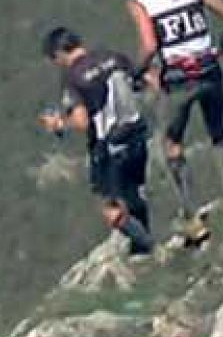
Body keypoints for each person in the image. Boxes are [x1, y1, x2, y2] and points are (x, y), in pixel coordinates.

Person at [123, 0, 223, 247]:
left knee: (173, 144)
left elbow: (150, 45)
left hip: (178, 78)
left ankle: (193, 217)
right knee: (217, 131)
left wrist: (137, 73)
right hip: (209, 68)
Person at [40, 26, 154, 256]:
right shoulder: (113, 57)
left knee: (110, 207)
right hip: (137, 134)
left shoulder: (73, 77)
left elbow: (82, 121)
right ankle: (142, 246)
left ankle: (148, 246)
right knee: (133, 193)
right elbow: (144, 81)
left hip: (109, 143)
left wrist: (59, 124)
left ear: (59, 54)